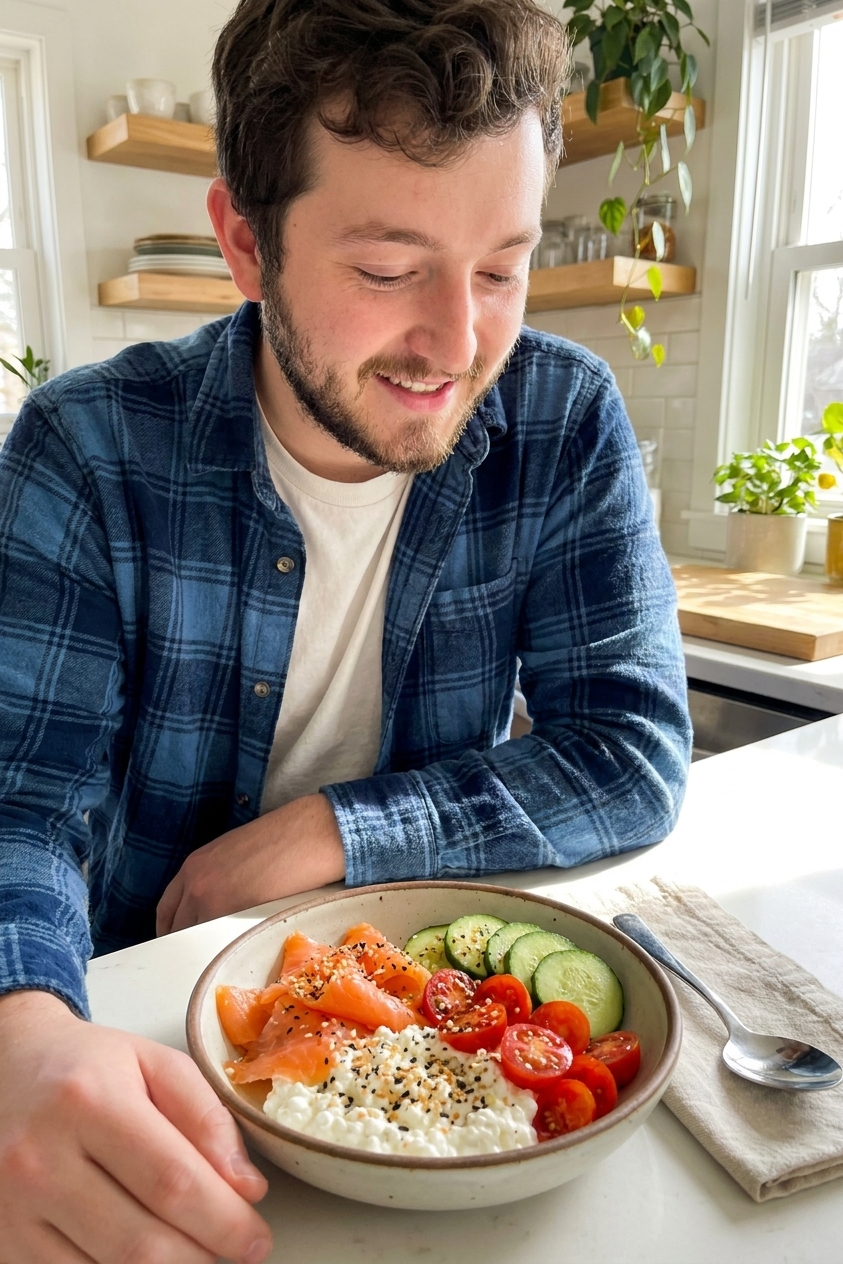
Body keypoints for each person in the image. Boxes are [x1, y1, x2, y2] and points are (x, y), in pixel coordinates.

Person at [0, 0, 691, 1258]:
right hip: (151, 1051)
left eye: (502, 267)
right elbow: (18, 804)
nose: (460, 341)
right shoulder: (85, 452)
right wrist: (22, 1032)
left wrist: (327, 833)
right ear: (245, 242)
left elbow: (631, 752)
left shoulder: (563, 419)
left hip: (434, 1075)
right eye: (387, 270)